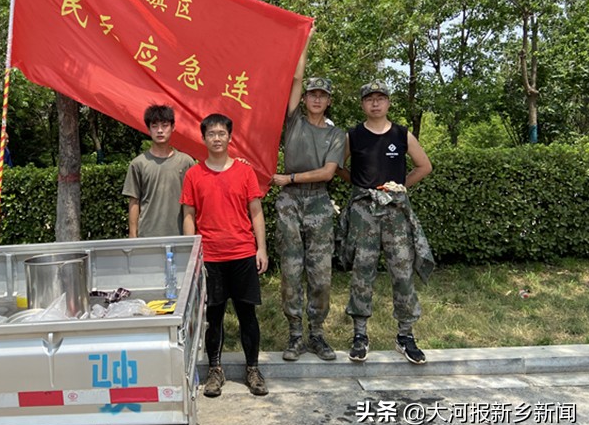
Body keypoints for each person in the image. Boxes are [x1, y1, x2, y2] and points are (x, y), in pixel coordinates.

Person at [337, 79, 435, 365]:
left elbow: (424, 166)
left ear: (389, 102)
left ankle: (405, 336)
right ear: (363, 104)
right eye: (370, 99)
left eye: (381, 98)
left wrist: (400, 186)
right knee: (362, 271)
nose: (375, 103)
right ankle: (359, 335)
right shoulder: (353, 135)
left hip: (395, 213)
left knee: (402, 272)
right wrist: (359, 185)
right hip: (364, 214)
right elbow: (338, 168)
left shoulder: (402, 134)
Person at [181, 113, 269, 398]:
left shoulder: (245, 172)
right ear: (203, 138)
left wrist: (261, 248)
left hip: (242, 253)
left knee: (247, 315)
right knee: (214, 317)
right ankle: (215, 370)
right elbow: (188, 215)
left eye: (222, 133)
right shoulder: (194, 174)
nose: (217, 138)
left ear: (230, 137)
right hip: (211, 257)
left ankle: (253, 369)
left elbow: (256, 211)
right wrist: (192, 253)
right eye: (211, 134)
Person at [271, 39, 345, 362]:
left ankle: (317, 333)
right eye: (311, 94)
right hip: (289, 202)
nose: (315, 98)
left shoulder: (336, 135)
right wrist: (303, 43)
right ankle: (295, 334)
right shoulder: (294, 122)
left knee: (320, 271)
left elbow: (328, 173)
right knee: (290, 269)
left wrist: (290, 178)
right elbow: (296, 80)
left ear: (328, 101)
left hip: (317, 202)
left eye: (321, 95)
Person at [122, 105, 195, 238]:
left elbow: (192, 203)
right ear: (148, 130)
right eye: (154, 126)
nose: (160, 130)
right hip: (147, 236)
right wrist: (133, 237)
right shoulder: (138, 164)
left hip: (180, 235)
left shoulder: (186, 162)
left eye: (165, 125)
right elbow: (134, 202)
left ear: (173, 127)